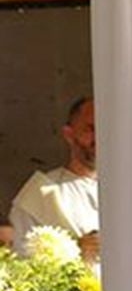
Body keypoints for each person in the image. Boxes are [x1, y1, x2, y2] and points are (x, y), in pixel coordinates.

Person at [8, 97, 99, 260]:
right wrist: (77, 253)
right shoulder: (40, 195)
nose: (101, 138)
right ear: (69, 135)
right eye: (91, 129)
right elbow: (21, 266)